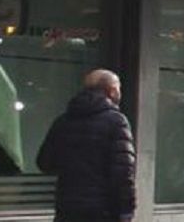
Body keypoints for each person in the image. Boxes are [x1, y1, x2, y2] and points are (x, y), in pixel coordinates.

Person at [36, 68, 136, 222]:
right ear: (112, 90)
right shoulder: (116, 122)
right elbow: (123, 173)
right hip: (102, 211)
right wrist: (126, 211)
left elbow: (44, 163)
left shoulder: (63, 121)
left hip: (67, 208)